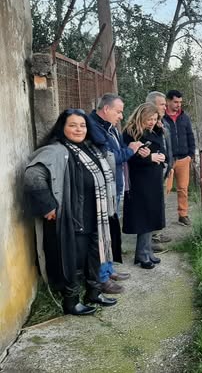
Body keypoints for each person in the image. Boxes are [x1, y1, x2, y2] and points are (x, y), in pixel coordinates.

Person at [24, 109, 118, 315]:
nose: (78, 129)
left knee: (95, 256)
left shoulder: (91, 148)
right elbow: (33, 175)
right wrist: (48, 205)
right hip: (73, 217)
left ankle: (94, 293)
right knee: (72, 261)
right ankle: (71, 302)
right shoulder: (56, 151)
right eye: (72, 125)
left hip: (96, 216)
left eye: (82, 125)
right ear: (62, 127)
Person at [88, 94, 149, 293]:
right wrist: (130, 150)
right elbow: (109, 158)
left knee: (110, 230)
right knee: (101, 234)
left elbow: (119, 150)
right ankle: (102, 277)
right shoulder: (94, 129)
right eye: (119, 111)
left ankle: (109, 269)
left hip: (115, 186)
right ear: (106, 109)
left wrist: (132, 149)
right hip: (103, 189)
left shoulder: (110, 128)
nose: (121, 116)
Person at [122, 103, 167, 269]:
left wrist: (161, 156)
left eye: (155, 119)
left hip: (153, 179)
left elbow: (161, 148)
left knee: (151, 215)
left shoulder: (155, 131)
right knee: (144, 217)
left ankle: (147, 251)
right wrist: (150, 158)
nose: (152, 122)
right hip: (139, 180)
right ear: (141, 117)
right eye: (149, 119)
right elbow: (128, 157)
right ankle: (142, 254)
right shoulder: (130, 133)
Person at [163, 90, 196, 226]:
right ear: (168, 101)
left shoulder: (184, 117)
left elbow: (190, 136)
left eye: (180, 102)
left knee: (183, 188)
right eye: (176, 102)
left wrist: (191, 154)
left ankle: (183, 215)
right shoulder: (161, 118)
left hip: (183, 159)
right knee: (165, 189)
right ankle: (160, 218)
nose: (178, 105)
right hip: (168, 160)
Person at [145, 91, 173, 247]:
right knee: (152, 205)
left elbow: (167, 146)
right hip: (152, 172)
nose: (165, 107)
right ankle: (151, 239)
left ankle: (157, 233)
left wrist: (170, 165)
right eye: (162, 104)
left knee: (161, 203)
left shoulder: (163, 123)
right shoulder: (146, 124)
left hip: (164, 169)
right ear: (151, 105)